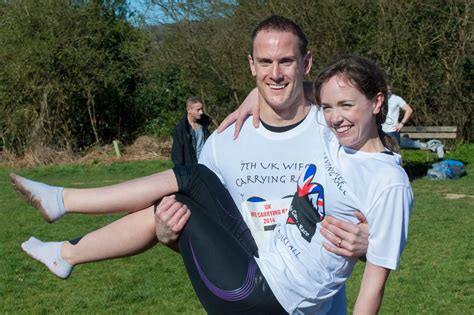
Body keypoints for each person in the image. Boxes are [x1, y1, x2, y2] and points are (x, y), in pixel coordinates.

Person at [11, 53, 412, 314]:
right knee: (193, 178)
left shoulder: (387, 181)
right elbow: (306, 92)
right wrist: (253, 99)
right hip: (260, 262)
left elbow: (373, 288)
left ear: (377, 103)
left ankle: (64, 229)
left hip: (267, 300)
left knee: (176, 202)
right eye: (328, 107)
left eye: (347, 106)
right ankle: (63, 214)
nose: (335, 116)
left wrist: (369, 246)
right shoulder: (334, 138)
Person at [171, 96, 211, 166]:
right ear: (189, 110)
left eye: (201, 109)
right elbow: (177, 156)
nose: (201, 112)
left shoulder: (205, 125)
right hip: (191, 169)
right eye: (198, 110)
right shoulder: (180, 129)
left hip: (206, 166)